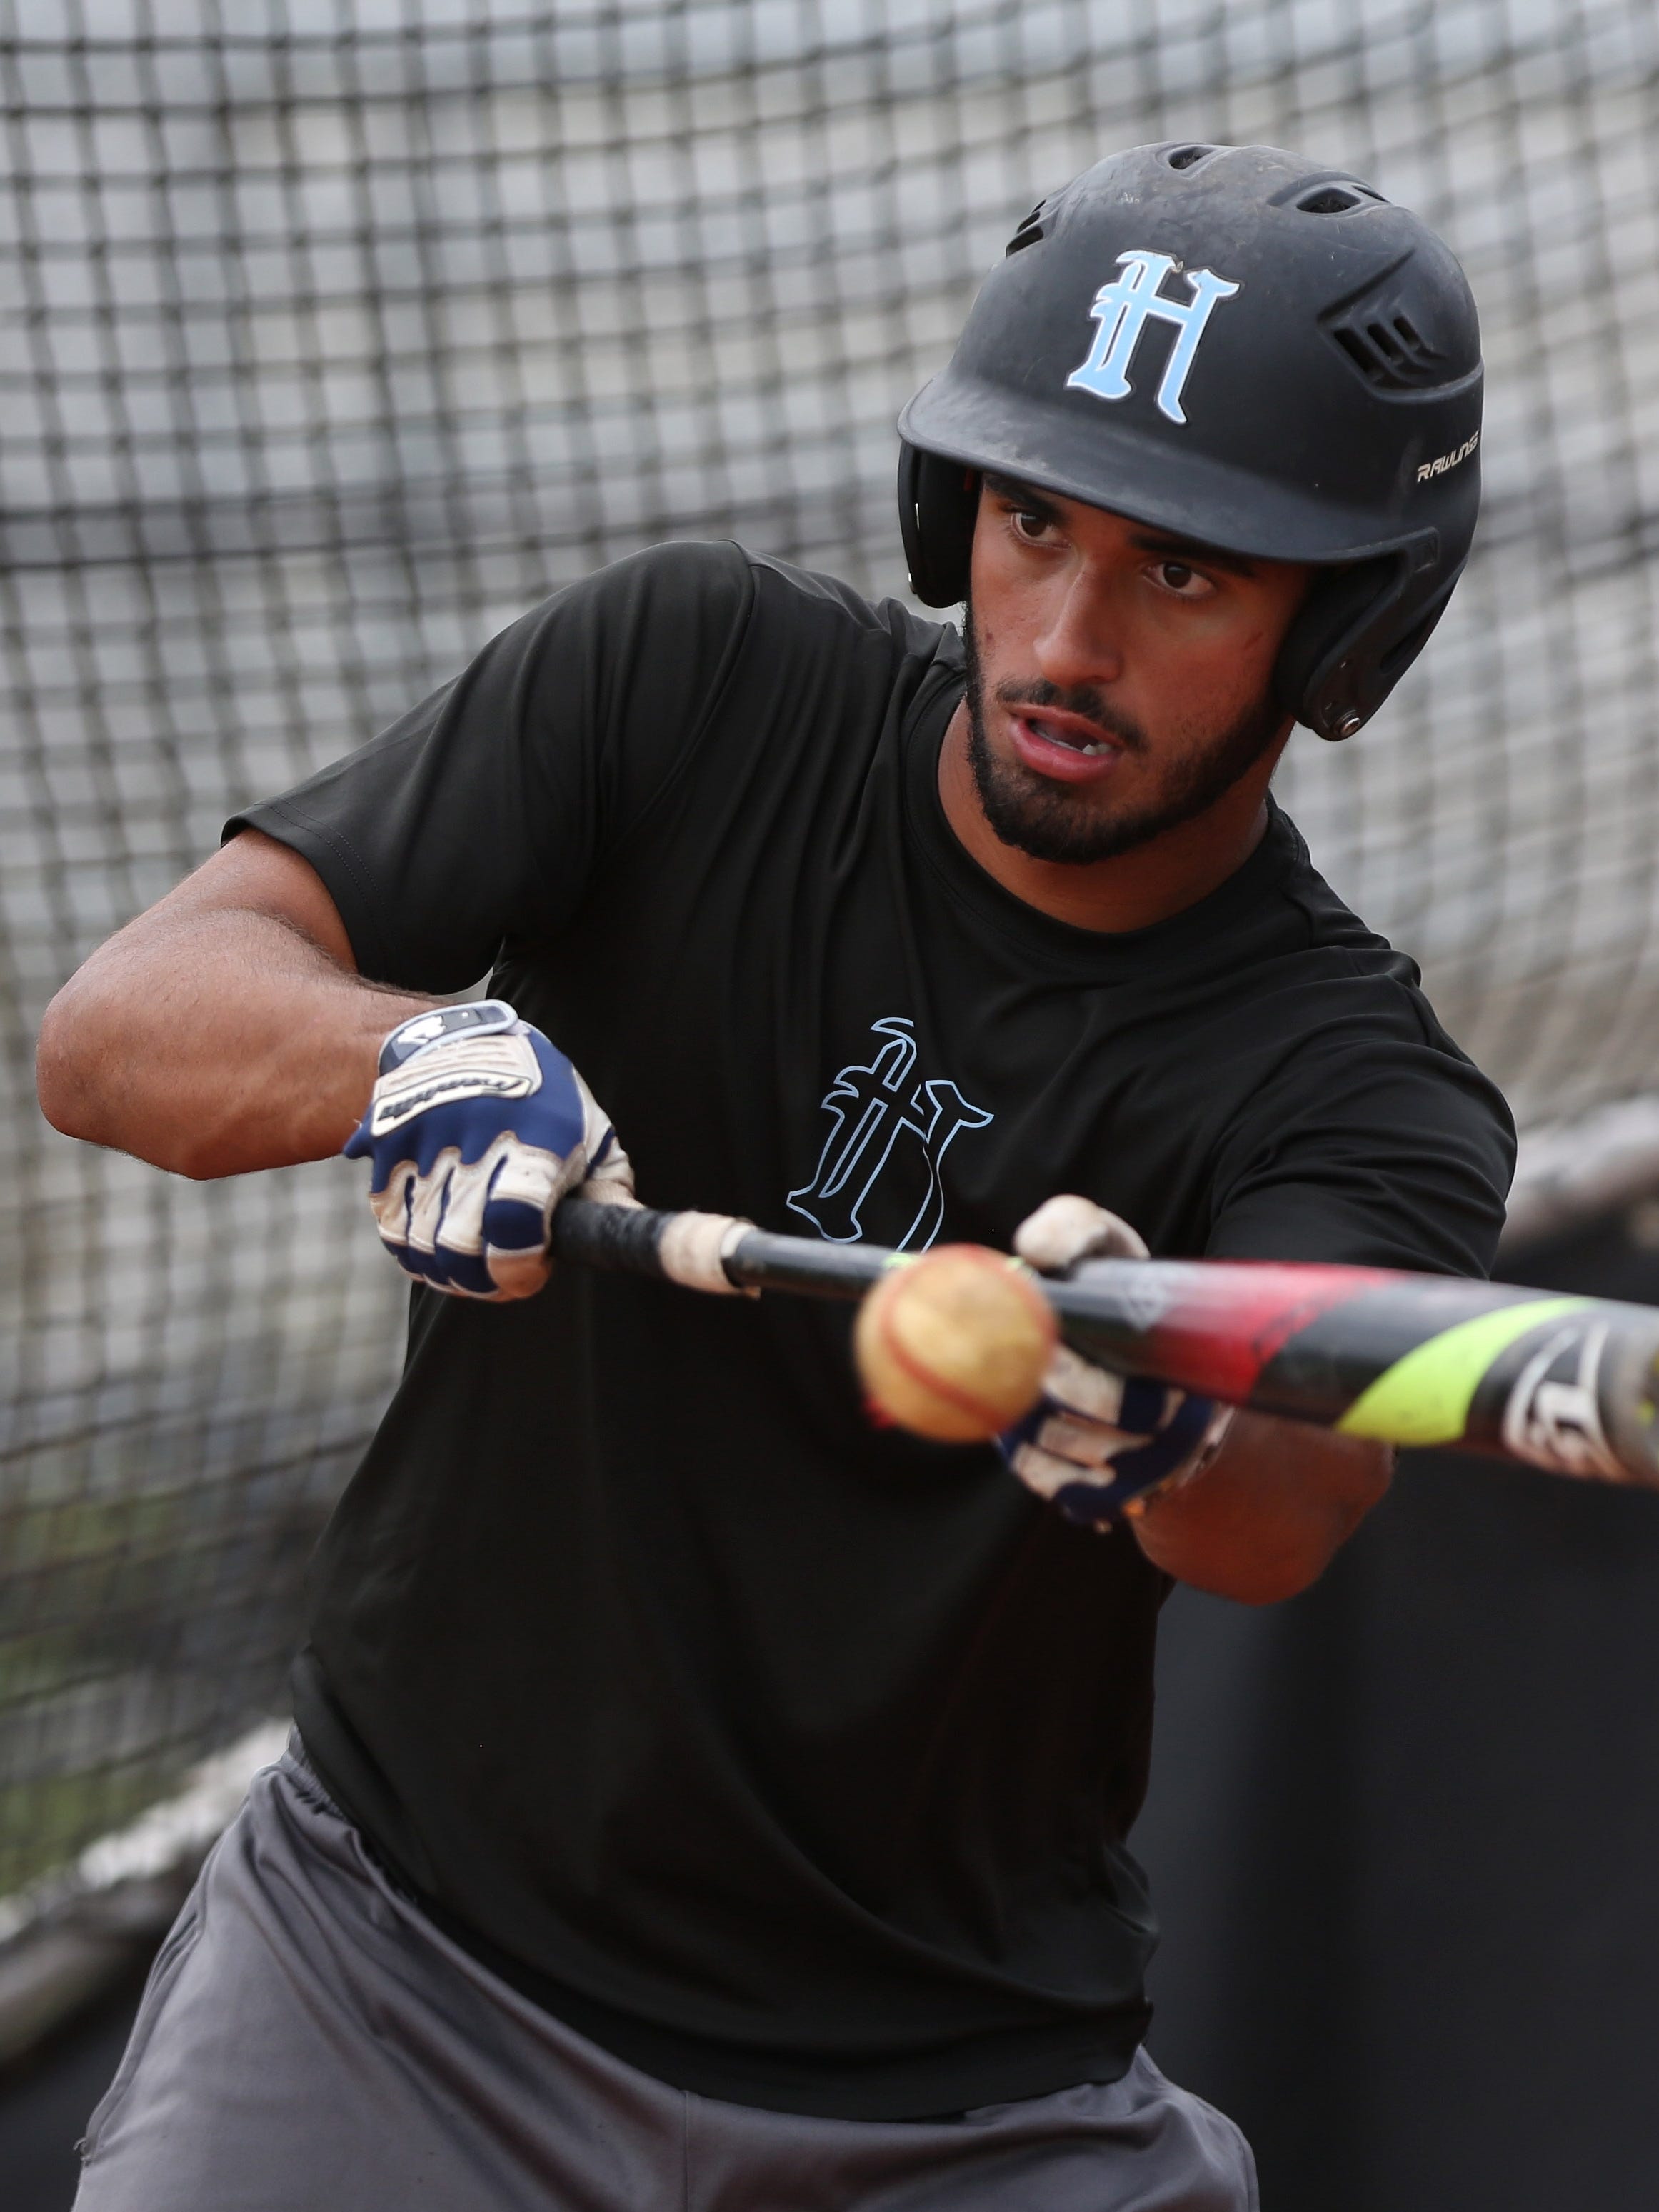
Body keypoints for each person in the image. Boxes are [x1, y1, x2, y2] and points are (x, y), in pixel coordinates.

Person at [38, 141, 1511, 2211]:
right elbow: (120, 1030)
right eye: (1028, 522)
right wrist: (405, 1052)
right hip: (387, 1983)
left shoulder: (1355, 1084)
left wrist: (1151, 1405)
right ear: (954, 511)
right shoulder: (688, 679)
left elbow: (1282, 1506)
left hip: (959, 2117)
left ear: (1342, 628)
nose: (1067, 638)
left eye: (1184, 572)